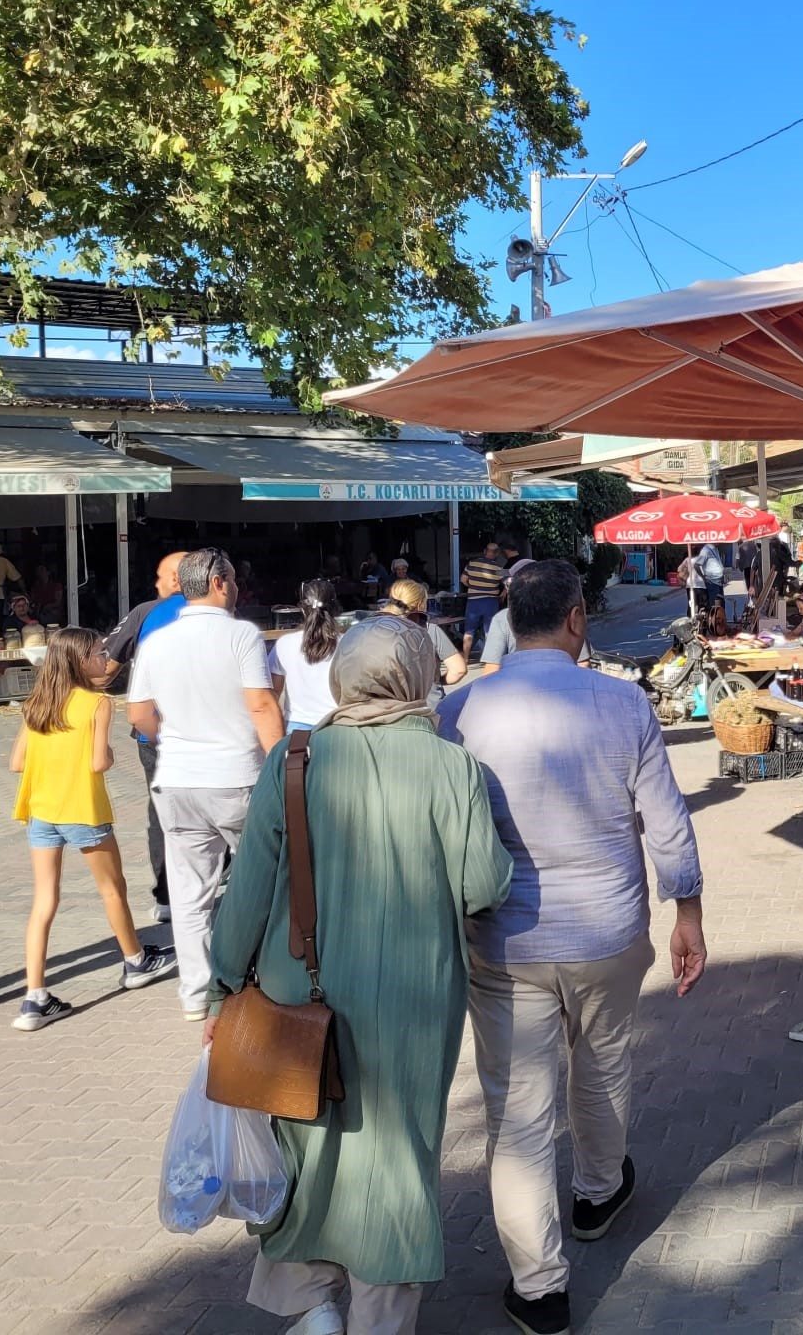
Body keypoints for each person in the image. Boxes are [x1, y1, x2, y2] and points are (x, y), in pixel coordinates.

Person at [205, 615, 516, 1335]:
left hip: (296, 994)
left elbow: (247, 889)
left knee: (304, 1146)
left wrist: (222, 988)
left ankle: (313, 1306)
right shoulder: (452, 765)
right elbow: (481, 887)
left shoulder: (297, 756)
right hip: (412, 998)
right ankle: (382, 1318)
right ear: (414, 675)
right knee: (398, 1151)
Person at [441, 562, 706, 1335]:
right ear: (578, 618)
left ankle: (540, 1286)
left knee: (518, 1118)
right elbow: (667, 820)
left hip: (503, 938)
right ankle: (596, 1190)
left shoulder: (459, 711)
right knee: (603, 1061)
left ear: (509, 622)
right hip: (607, 931)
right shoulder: (623, 703)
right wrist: (686, 911)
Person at [125, 548, 285, 1023]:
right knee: (268, 881)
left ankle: (196, 993)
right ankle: (264, 978)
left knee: (191, 894)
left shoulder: (157, 640)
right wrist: (279, 763)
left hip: (177, 781)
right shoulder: (241, 635)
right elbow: (261, 704)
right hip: (237, 776)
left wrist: (176, 738)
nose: (237, 587)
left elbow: (138, 715)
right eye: (233, 579)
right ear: (218, 583)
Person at [7, 628, 176, 1030]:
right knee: (112, 887)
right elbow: (99, 762)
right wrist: (111, 751)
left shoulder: (37, 702)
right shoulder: (98, 704)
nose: (105, 659)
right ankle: (136, 960)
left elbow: (16, 763)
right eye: (99, 653)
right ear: (79, 661)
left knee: (44, 899)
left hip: (42, 810)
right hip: (83, 808)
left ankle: (34, 996)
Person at [101, 551, 189, 923]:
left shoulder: (146, 613)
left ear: (178, 579)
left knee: (162, 810)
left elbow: (104, 666)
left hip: (154, 733)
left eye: (160, 576)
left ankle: (168, 895)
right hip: (205, 736)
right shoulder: (226, 615)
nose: (156, 584)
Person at [381, 579, 468, 702]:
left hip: (390, 709)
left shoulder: (377, 629)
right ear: (420, 605)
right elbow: (459, 670)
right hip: (429, 708)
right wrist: (436, 680)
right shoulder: (430, 630)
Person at [270, 580, 341, 732]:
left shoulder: (284, 644)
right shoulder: (348, 643)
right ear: (336, 608)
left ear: (302, 609)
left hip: (296, 732)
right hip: (338, 726)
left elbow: (273, 694)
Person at [459, 541, 506, 657]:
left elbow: (463, 580)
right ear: (497, 554)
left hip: (473, 602)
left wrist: (473, 587)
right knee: (489, 632)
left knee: (469, 631)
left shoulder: (472, 563)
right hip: (491, 602)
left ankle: (465, 658)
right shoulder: (499, 568)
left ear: (485, 551)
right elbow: (510, 583)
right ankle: (490, 659)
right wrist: (503, 593)